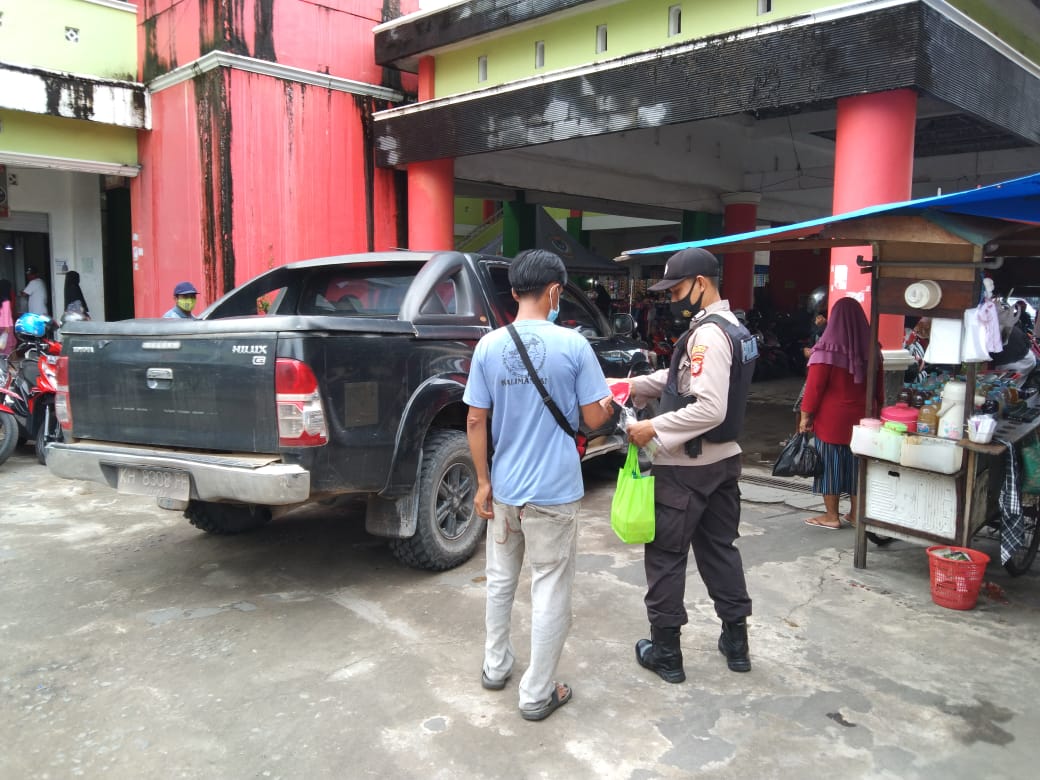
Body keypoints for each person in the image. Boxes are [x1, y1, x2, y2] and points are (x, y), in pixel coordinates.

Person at [463, 248, 614, 722]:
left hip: (505, 489)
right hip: (554, 493)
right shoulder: (575, 346)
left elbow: (474, 419)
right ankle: (536, 693)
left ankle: (495, 666)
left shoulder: (488, 346)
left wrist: (483, 482)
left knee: (501, 581)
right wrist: (609, 405)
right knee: (550, 588)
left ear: (513, 293)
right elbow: (594, 418)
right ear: (554, 292)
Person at [625, 247, 757, 682]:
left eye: (678, 289)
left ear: (701, 284)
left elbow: (710, 407)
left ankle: (666, 654)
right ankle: (736, 643)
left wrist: (653, 429)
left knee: (665, 557)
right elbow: (682, 378)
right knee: (719, 550)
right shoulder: (732, 328)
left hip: (686, 467)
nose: (673, 298)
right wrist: (634, 385)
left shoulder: (708, 336)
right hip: (722, 464)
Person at [799, 297, 885, 530]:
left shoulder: (826, 349)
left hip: (832, 420)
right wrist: (879, 412)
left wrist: (805, 416)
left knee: (830, 465)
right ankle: (857, 513)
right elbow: (879, 388)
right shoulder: (873, 348)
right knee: (858, 465)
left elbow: (814, 389)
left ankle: (831, 516)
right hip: (865, 418)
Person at [0, 279, 15, 356]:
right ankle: (6, 366)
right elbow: (6, 314)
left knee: (1, 346)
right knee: (7, 346)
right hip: (6, 326)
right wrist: (6, 327)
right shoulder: (6, 300)